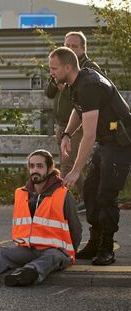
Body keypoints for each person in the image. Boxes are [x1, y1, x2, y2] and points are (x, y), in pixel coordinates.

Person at [0, 150, 81, 286]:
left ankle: (27, 274)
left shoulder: (63, 194)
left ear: (50, 168)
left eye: (40, 166)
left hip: (56, 251)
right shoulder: (21, 194)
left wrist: (69, 255)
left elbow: (76, 229)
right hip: (28, 249)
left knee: (50, 258)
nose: (35, 170)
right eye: (32, 166)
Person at [49, 47, 131, 265]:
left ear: (68, 67)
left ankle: (106, 247)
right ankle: (94, 241)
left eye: (54, 68)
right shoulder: (77, 82)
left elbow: (90, 134)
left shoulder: (89, 85)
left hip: (120, 143)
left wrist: (76, 170)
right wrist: (67, 133)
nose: (51, 73)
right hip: (106, 143)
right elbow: (78, 110)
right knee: (90, 190)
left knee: (106, 195)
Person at [45, 31, 101, 204]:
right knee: (72, 164)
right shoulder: (60, 66)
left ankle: (62, 203)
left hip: (81, 124)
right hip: (63, 123)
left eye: (74, 46)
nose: (69, 48)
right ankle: (89, 200)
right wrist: (56, 82)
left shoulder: (89, 68)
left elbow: (89, 96)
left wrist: (67, 87)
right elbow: (49, 92)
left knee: (68, 165)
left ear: (83, 48)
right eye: (67, 45)